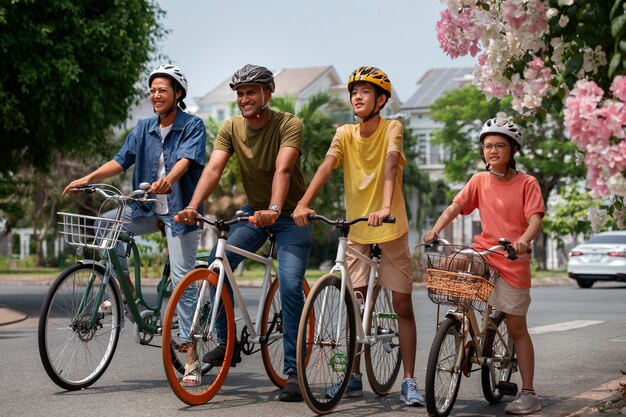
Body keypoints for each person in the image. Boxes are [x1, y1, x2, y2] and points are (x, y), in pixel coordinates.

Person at [63, 64, 206, 387]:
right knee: (106, 222)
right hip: (144, 208)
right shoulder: (143, 128)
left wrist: (168, 180)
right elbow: (120, 160)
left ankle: (192, 356)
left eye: (163, 90)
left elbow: (186, 160)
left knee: (183, 280)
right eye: (153, 90)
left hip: (180, 211)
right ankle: (122, 290)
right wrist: (87, 178)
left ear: (178, 95)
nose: (156, 95)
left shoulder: (192, 125)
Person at [177, 64, 312, 402]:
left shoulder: (289, 124)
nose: (244, 99)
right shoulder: (231, 127)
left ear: (269, 92)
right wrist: (193, 205)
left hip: (289, 214)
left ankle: (294, 372)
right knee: (216, 269)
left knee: (292, 285)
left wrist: (276, 208)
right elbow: (213, 168)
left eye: (251, 91)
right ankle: (227, 343)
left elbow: (283, 167)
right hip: (254, 213)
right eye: (239, 93)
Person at [293, 66, 425, 406]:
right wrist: (303, 203)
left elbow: (391, 164)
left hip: (390, 225)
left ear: (381, 100)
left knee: (401, 305)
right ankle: (352, 375)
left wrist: (384, 206)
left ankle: (409, 381)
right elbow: (326, 166)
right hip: (356, 227)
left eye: (365, 92)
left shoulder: (392, 127)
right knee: (356, 301)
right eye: (354, 92)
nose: (357, 96)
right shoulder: (344, 133)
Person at [422, 113, 544, 415]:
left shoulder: (527, 183)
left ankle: (529, 393)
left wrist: (523, 240)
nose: (492, 151)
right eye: (488, 146)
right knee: (456, 260)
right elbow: (456, 206)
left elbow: (535, 219)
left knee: (516, 327)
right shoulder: (479, 180)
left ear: (513, 150)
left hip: (513, 259)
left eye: (500, 146)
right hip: (485, 252)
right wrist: (436, 229)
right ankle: (461, 322)